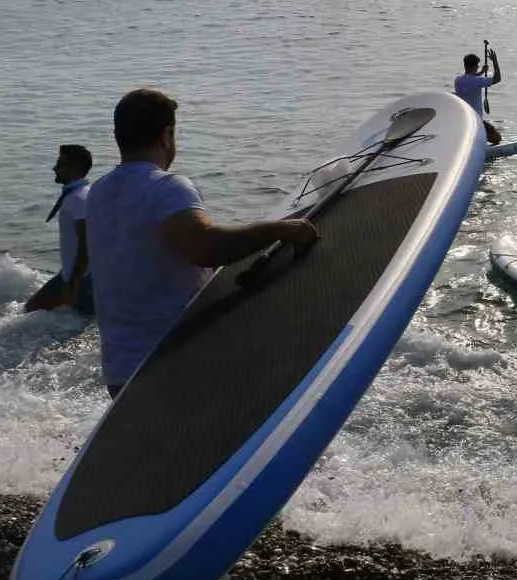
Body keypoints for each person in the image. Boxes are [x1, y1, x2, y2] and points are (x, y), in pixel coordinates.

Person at [87, 89, 317, 398]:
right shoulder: (166, 188)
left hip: (119, 372)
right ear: (166, 136)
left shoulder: (99, 193)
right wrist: (281, 230)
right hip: (175, 362)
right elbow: (205, 248)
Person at [25, 144, 95, 314]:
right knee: (31, 309)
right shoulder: (76, 195)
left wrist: (74, 282)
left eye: (60, 164)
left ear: (74, 168)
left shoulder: (79, 198)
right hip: (71, 273)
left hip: (83, 277)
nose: (54, 168)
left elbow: (87, 243)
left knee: (79, 324)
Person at [454, 49, 503, 144]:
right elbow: (498, 78)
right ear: (475, 66)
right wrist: (495, 61)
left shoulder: (458, 80)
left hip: (463, 119)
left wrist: (480, 72)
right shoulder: (478, 81)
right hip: (476, 121)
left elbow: (470, 78)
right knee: (498, 139)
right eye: (477, 66)